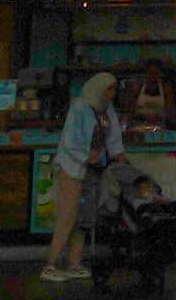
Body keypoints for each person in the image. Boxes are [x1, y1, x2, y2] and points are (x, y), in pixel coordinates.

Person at [42, 71, 121, 282]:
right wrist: (86, 157)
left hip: (91, 170)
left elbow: (113, 135)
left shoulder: (107, 108)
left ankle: (73, 262)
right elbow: (69, 141)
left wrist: (117, 155)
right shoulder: (79, 107)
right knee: (67, 216)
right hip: (72, 168)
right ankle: (51, 264)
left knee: (83, 218)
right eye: (109, 89)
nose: (112, 94)